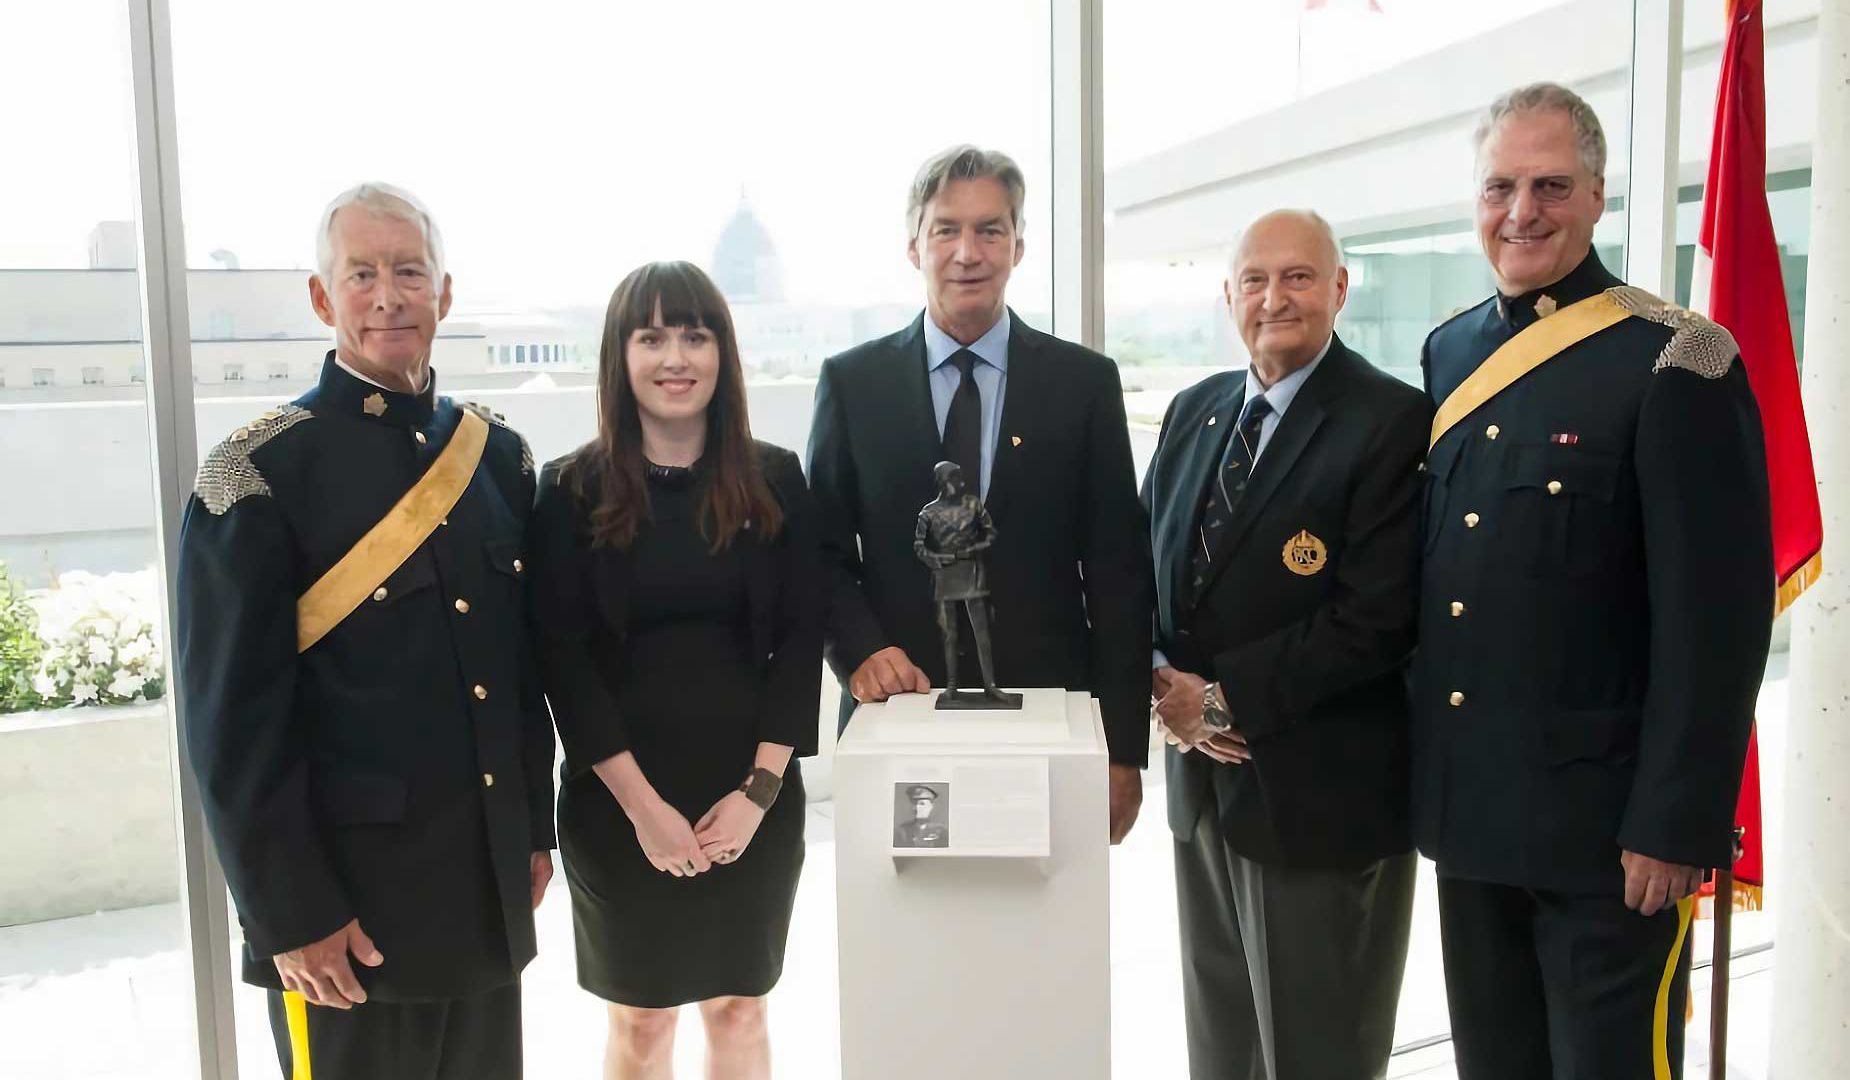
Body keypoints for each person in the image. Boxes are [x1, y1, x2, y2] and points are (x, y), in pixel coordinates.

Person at [1414, 83, 1774, 1079]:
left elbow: (1715, 621)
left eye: (1550, 186)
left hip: (1609, 843)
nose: (1520, 212)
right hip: (1474, 820)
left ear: (1597, 197)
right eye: (1499, 187)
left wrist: (1676, 822)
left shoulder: (1675, 358)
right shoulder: (1450, 351)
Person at [177, 182, 555, 1079]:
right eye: (362, 275)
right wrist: (289, 915)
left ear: (444, 293)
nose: (389, 296)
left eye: (410, 272)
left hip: (481, 897)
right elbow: (231, 726)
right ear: (323, 298)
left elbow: (517, 673)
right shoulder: (258, 472)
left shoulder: (497, 457)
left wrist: (531, 832)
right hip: (343, 924)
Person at [1144, 209, 1429, 1079]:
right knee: (1221, 1049)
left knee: (1318, 1055)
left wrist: (1218, 699)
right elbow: (1140, 569)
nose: (1275, 298)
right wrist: (1158, 681)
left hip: (1320, 803)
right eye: (1256, 280)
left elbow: (1376, 619)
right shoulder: (1194, 412)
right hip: (1203, 792)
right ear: (1229, 294)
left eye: (1299, 277)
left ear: (1339, 289)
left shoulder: (1390, 421)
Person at [806, 144, 1154, 842]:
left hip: (1049, 720)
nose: (968, 252)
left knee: (1037, 902)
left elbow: (1118, 573)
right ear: (914, 246)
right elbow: (819, 552)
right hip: (897, 710)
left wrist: (1122, 749)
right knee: (907, 902)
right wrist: (859, 652)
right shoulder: (853, 384)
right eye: (946, 229)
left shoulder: (1084, 384)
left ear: (1018, 245)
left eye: (990, 230)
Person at [529, 261, 822, 1080]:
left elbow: (801, 641)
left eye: (695, 336)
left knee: (740, 1008)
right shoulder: (569, 490)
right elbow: (563, 665)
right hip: (618, 802)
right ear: (620, 357)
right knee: (643, 1021)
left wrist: (759, 793)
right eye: (651, 337)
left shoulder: (775, 479)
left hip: (752, 795)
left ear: (722, 352)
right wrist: (644, 810)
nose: (675, 358)